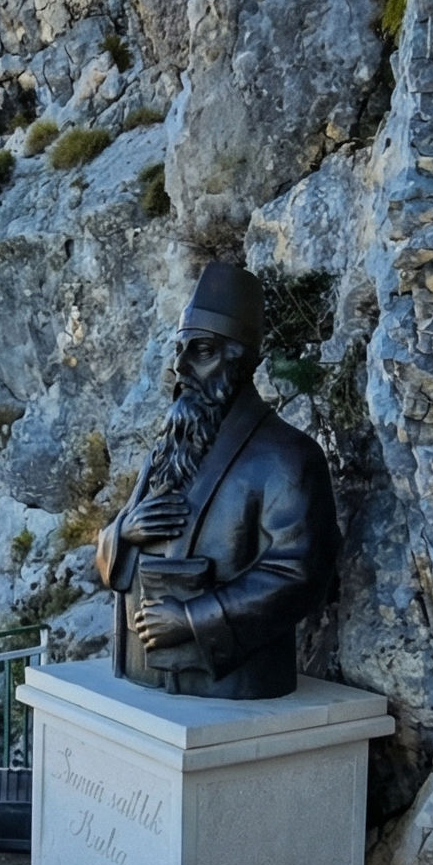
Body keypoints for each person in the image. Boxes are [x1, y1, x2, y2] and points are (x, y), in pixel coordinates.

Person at [95, 263, 340, 699]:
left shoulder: (289, 456)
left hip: (232, 687)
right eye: (180, 350)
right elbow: (117, 541)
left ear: (238, 361)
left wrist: (193, 619)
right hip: (143, 678)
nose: (181, 367)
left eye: (201, 351)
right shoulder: (171, 445)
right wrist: (123, 535)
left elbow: (301, 572)